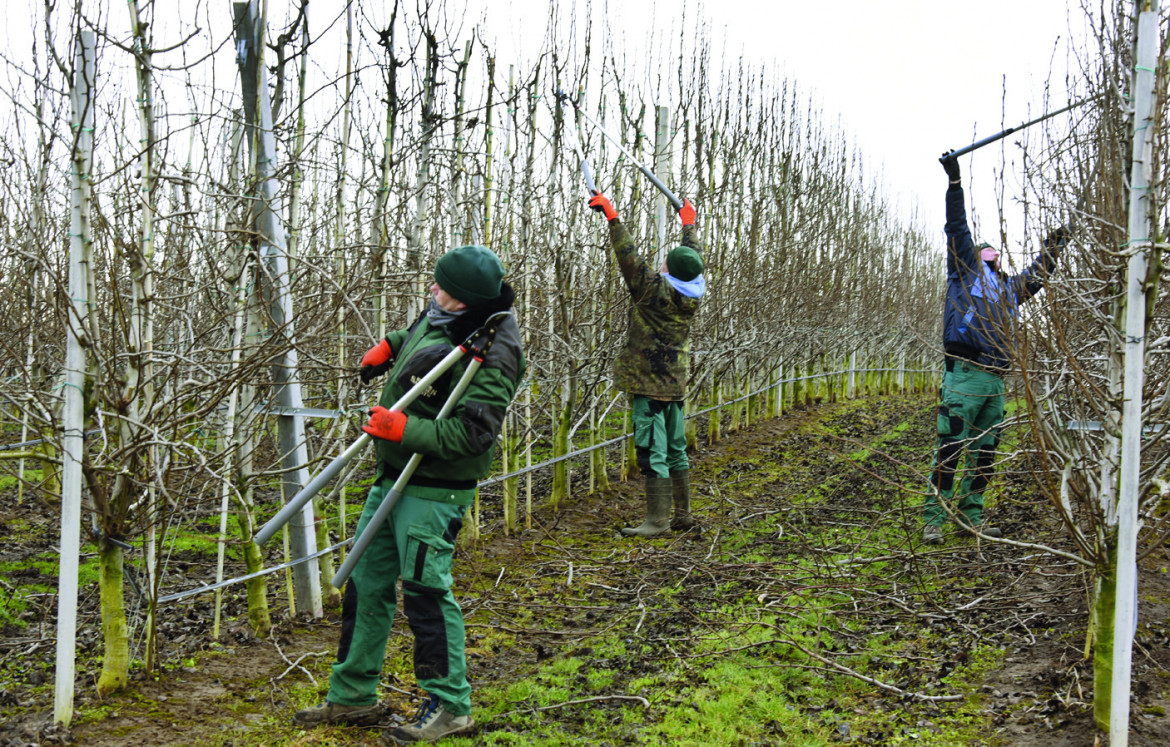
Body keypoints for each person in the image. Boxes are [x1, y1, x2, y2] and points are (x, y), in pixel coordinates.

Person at [293, 244, 525, 744]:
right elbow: (425, 331)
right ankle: (353, 695)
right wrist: (391, 345)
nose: (431, 291)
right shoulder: (450, 312)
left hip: (434, 489)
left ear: (464, 299)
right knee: (365, 582)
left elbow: (473, 436)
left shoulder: (498, 351)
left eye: (440, 287)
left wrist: (403, 429)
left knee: (425, 593)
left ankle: (451, 706)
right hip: (393, 475)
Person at [925, 154, 1068, 545]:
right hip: (964, 375)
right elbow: (956, 228)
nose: (991, 255)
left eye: (993, 253)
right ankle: (934, 518)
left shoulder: (1006, 290)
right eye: (984, 250)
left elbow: (1035, 278)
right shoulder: (964, 272)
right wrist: (955, 186)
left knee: (984, 456)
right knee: (952, 447)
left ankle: (970, 518)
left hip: (994, 382)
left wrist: (1053, 249)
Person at [588, 191, 706, 537]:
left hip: (649, 385)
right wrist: (688, 224)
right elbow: (693, 257)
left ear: (669, 270)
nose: (661, 265)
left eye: (666, 262)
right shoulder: (692, 290)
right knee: (675, 449)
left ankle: (656, 521)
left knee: (652, 449)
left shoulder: (653, 291)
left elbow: (629, 258)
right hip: (675, 384)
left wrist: (613, 218)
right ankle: (682, 515)